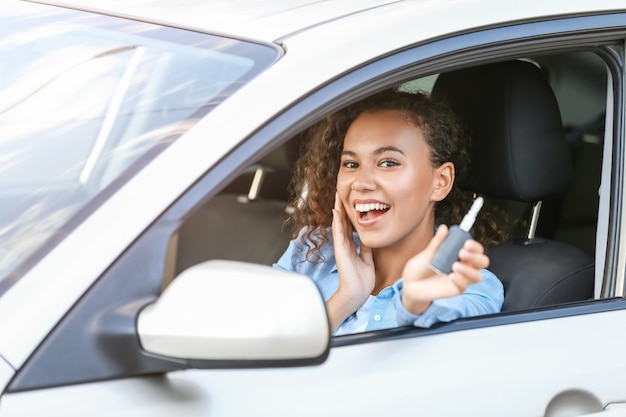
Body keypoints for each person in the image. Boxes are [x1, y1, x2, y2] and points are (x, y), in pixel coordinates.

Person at [273, 89, 508, 335]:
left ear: (441, 181)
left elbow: (450, 319)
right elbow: (259, 354)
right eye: (351, 164)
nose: (361, 183)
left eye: (388, 163)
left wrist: (416, 303)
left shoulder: (467, 285)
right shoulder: (311, 252)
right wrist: (346, 298)